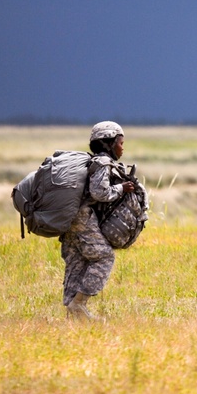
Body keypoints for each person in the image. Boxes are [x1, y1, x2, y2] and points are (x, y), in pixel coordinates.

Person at [60, 120, 137, 320]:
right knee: (104, 257)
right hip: (83, 218)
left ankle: (73, 313)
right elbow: (99, 192)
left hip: (69, 217)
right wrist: (122, 188)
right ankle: (79, 304)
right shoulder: (103, 163)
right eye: (120, 143)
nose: (122, 147)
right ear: (109, 143)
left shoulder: (91, 162)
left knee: (77, 261)